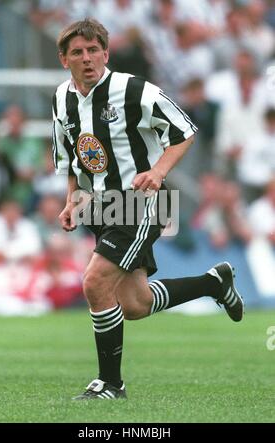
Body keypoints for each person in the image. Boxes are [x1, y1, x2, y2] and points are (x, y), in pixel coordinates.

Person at [52, 18, 244, 401]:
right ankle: (214, 283)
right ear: (64, 59)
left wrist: (157, 171)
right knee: (135, 304)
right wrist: (71, 199)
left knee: (94, 283)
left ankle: (110, 384)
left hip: (142, 202)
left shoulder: (133, 89)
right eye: (78, 52)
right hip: (99, 207)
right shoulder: (61, 97)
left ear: (106, 53)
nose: (87, 58)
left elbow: (184, 129)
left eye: (94, 50)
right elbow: (70, 155)